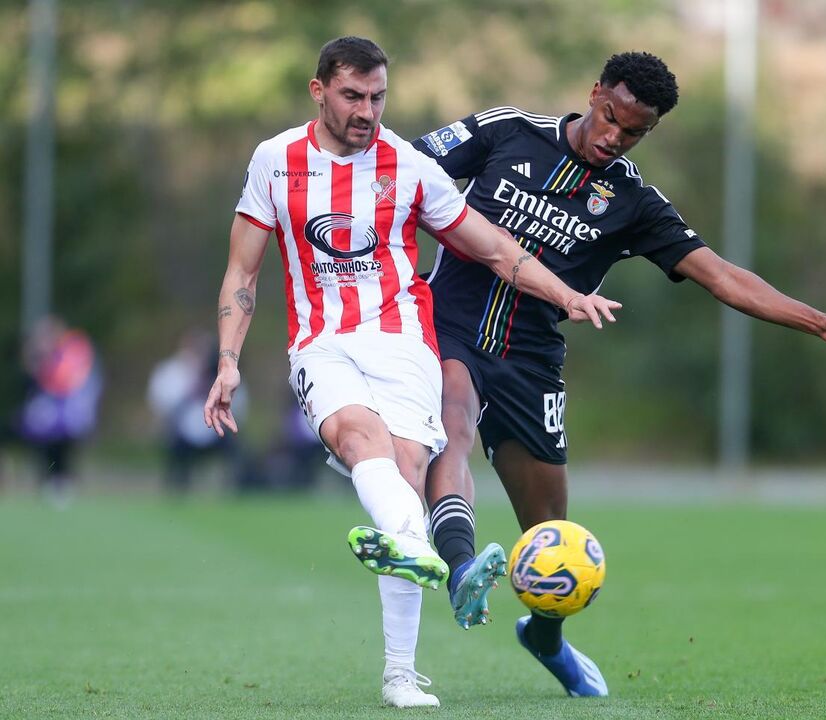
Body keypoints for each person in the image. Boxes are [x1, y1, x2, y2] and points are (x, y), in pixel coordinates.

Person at [413, 51, 826, 697]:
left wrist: (818, 321)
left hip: (530, 360)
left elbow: (721, 276)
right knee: (453, 420)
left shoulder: (634, 202)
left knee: (553, 532)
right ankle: (462, 567)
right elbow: (399, 167)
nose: (615, 136)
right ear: (595, 93)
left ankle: (547, 636)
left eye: (634, 131)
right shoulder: (508, 131)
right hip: (447, 324)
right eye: (610, 117)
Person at [201, 37, 621, 709]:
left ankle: (401, 665)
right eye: (352, 96)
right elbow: (241, 272)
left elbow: (495, 248)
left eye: (378, 97)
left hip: (405, 345)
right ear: (318, 91)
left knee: (404, 478)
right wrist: (228, 362)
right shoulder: (275, 160)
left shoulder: (409, 165)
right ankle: (420, 558)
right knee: (358, 438)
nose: (366, 111)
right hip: (322, 343)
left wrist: (566, 293)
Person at [148, 330, 250, 494]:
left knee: (236, 447)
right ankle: (177, 487)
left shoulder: (224, 374)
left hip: (218, 431)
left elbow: (238, 407)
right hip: (181, 433)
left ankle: (234, 487)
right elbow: (163, 405)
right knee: (174, 447)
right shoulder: (173, 372)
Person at [19, 316, 103, 508]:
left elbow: (65, 377)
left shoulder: (74, 347)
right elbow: (34, 373)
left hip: (69, 405)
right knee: (42, 440)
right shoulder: (45, 351)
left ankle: (63, 480)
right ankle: (48, 479)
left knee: (64, 442)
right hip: (49, 404)